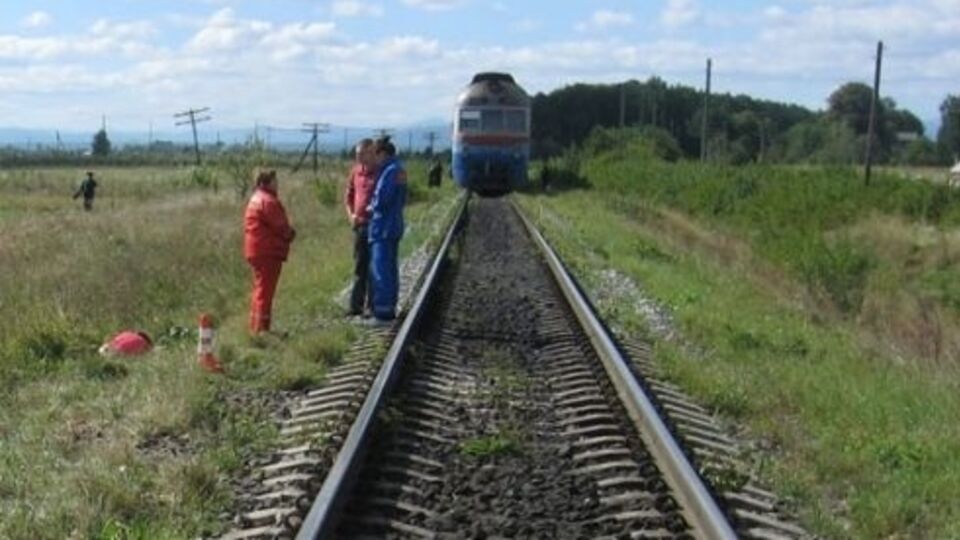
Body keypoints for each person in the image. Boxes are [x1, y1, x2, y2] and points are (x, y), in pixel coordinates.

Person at [244, 169, 296, 335]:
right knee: (265, 291)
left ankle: (255, 327)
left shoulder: (255, 198)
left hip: (256, 249)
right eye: (275, 181)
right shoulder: (269, 201)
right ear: (267, 182)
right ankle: (262, 330)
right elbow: (281, 227)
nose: (277, 184)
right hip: (267, 251)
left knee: (260, 290)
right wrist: (290, 234)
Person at [367, 136, 407, 325]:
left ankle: (383, 313)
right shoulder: (399, 170)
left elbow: (383, 200)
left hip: (383, 227)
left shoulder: (389, 171)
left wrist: (371, 206)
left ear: (383, 153)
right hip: (393, 225)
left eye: (376, 154)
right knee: (390, 268)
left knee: (381, 268)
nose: (375, 159)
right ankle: (389, 306)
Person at [343, 138, 377, 317]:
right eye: (357, 155)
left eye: (362, 154)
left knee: (374, 267)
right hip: (360, 225)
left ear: (371, 152)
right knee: (359, 266)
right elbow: (348, 196)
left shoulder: (380, 172)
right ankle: (355, 306)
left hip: (376, 226)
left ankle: (371, 306)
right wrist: (351, 216)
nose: (359, 158)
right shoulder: (356, 172)